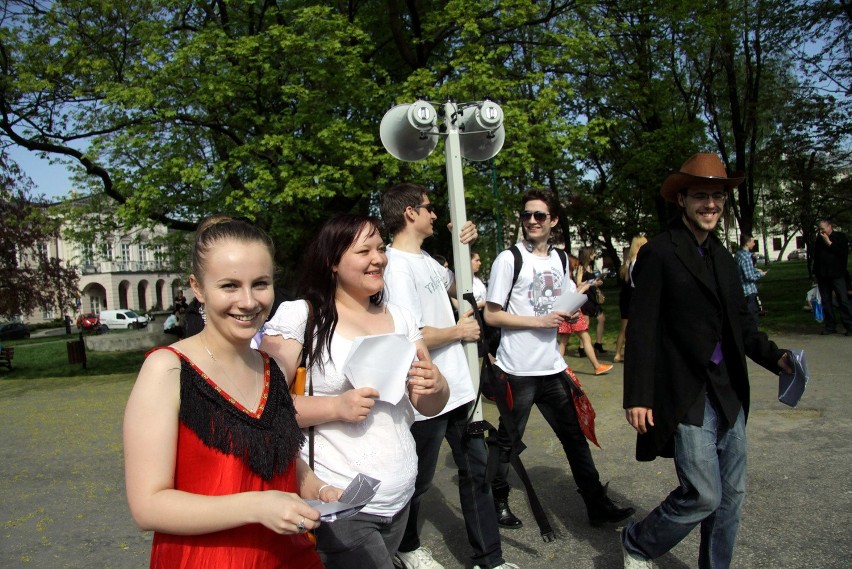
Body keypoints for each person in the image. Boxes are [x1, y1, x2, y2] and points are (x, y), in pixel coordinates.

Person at [123, 215, 332, 568]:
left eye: (260, 284)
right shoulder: (168, 369)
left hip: (290, 557)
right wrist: (255, 506)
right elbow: (148, 506)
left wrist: (317, 488)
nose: (248, 301)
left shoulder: (269, 367)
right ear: (198, 287)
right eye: (230, 286)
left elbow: (274, 456)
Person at [621, 153, 793, 569]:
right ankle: (639, 543)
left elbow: (742, 326)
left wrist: (779, 358)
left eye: (717, 196)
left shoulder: (724, 258)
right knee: (703, 493)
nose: (710, 204)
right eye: (701, 195)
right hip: (686, 391)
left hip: (727, 388)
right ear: (682, 199)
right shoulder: (660, 253)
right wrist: (638, 396)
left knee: (731, 497)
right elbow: (642, 329)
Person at [260, 214, 449, 569]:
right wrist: (336, 407)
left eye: (380, 248)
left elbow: (427, 402)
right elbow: (263, 404)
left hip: (399, 497)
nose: (378, 258)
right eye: (364, 251)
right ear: (332, 261)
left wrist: (437, 384)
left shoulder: (402, 317)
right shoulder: (302, 317)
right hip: (339, 500)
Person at [379, 183, 517, 569]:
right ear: (409, 213)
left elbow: (467, 290)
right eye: (428, 208)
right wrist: (458, 332)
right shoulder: (395, 267)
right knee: (417, 482)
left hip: (460, 390)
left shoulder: (427, 261)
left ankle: (490, 560)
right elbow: (411, 334)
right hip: (425, 394)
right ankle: (406, 547)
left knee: (477, 474)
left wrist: (464, 248)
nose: (434, 214)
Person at [485, 188, 634, 530]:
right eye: (526, 215)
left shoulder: (562, 260)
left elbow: (559, 301)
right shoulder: (509, 259)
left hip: (553, 368)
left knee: (574, 438)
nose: (532, 221)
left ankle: (596, 504)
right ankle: (497, 500)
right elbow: (492, 316)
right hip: (516, 370)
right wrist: (538, 321)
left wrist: (569, 309)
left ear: (553, 221)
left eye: (539, 216)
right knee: (508, 441)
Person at [556, 255, 612, 375]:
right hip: (573, 312)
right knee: (585, 338)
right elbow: (574, 294)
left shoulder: (561, 278)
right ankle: (596, 366)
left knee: (564, 341)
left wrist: (584, 285)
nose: (577, 267)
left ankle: (556, 367)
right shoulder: (566, 279)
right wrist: (585, 287)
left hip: (566, 311)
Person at [813, 219, 852, 335]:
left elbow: (842, 253)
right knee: (826, 301)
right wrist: (815, 273)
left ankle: (849, 325)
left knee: (843, 300)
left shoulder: (840, 237)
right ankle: (830, 325)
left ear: (830, 227)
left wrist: (829, 242)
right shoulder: (819, 240)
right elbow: (817, 257)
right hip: (823, 275)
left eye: (823, 229)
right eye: (819, 229)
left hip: (837, 274)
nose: (821, 231)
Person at [613, 236, 647, 363]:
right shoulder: (637, 261)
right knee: (632, 327)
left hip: (627, 297)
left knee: (625, 327)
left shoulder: (630, 261)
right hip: (633, 297)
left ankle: (618, 353)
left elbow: (627, 280)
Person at [575, 246, 609, 354]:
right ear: (588, 254)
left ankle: (598, 343)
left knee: (601, 318)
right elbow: (578, 283)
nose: (594, 255)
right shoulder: (581, 267)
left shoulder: (590, 266)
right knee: (586, 321)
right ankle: (582, 347)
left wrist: (597, 283)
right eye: (593, 253)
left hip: (592, 295)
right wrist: (591, 282)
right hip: (585, 296)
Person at [735, 234, 767, 323]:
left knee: (746, 317)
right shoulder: (747, 257)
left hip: (742, 291)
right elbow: (749, 277)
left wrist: (755, 269)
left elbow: (742, 269)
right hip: (748, 292)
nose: (754, 244)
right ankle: (752, 335)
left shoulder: (738, 254)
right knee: (753, 318)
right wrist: (760, 274)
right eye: (753, 242)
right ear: (747, 243)